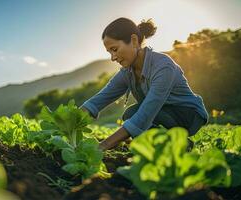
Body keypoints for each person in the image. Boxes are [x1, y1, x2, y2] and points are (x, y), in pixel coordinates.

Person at [80, 18, 209, 151]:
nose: (113, 57)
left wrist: (103, 146)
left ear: (134, 41)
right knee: (130, 115)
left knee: (133, 114)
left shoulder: (163, 66)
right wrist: (67, 121)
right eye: (110, 52)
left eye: (115, 49)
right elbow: (100, 99)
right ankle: (172, 144)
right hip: (163, 113)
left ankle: (178, 145)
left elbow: (146, 113)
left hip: (187, 115)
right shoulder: (127, 72)